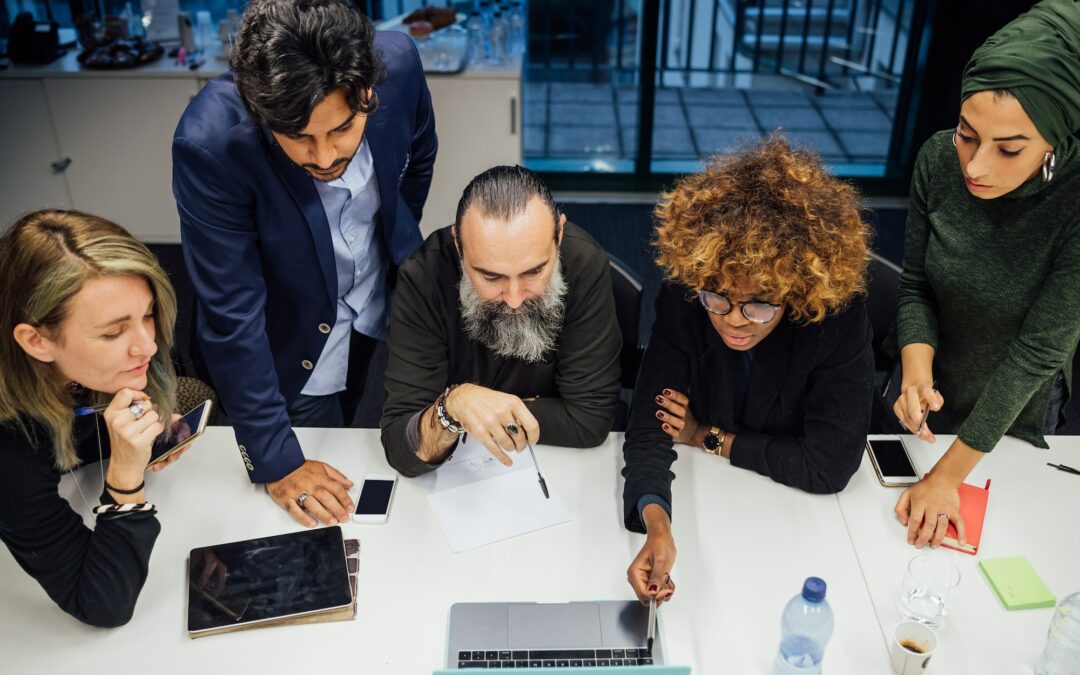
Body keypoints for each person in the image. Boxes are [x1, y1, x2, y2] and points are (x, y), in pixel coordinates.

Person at [172, 0, 437, 527]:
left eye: (340, 130)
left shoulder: (400, 63)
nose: (322, 157)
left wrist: (392, 237)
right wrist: (279, 461)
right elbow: (232, 314)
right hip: (284, 339)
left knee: (361, 399)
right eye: (298, 138)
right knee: (314, 474)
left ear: (367, 94)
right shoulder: (209, 144)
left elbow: (420, 155)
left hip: (374, 303)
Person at [621, 138, 874, 606]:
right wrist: (658, 524)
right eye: (718, 298)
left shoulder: (834, 317)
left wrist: (705, 437)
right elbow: (648, 427)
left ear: (796, 291)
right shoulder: (688, 294)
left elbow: (828, 466)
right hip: (727, 493)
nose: (734, 318)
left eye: (759, 304)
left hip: (797, 520)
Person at [892, 0, 1080, 550]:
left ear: (1055, 139)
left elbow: (1037, 353)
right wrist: (914, 366)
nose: (975, 166)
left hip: (1016, 404)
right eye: (967, 134)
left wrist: (947, 477)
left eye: (1009, 148)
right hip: (931, 385)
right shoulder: (937, 160)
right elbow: (915, 287)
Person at [0, 209, 191, 626]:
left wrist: (150, 436)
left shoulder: (102, 364)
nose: (148, 346)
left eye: (147, 315)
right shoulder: (9, 449)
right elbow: (102, 605)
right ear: (36, 341)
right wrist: (125, 475)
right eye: (112, 333)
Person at [380, 165, 621, 475]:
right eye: (491, 276)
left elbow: (588, 421)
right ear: (458, 245)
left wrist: (472, 413)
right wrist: (455, 406)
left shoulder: (584, 262)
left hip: (558, 469)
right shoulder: (422, 275)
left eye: (534, 271)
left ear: (559, 235)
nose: (515, 297)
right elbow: (403, 448)